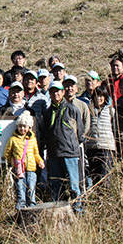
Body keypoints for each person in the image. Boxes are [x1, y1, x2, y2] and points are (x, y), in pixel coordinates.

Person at [43, 81, 84, 212]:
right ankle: (58, 213)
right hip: (54, 153)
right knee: (55, 185)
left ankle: (78, 211)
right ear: (49, 93)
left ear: (63, 92)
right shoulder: (48, 112)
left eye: (58, 91)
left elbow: (81, 131)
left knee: (73, 184)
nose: (56, 93)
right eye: (53, 91)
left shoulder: (72, 109)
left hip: (69, 153)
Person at [4, 111, 44, 209]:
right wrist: (11, 162)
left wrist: (40, 161)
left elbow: (35, 153)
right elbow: (7, 152)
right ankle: (20, 208)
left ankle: (32, 207)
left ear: (29, 127)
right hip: (18, 169)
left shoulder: (32, 139)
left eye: (25, 126)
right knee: (20, 189)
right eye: (20, 126)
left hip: (31, 168)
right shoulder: (13, 139)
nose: (22, 129)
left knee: (31, 189)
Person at [86, 86, 115, 185]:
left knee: (105, 178)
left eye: (102, 96)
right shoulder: (89, 110)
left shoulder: (110, 110)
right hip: (92, 148)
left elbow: (115, 128)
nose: (99, 98)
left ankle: (105, 198)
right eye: (97, 96)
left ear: (106, 97)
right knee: (94, 177)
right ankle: (97, 199)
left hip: (106, 148)